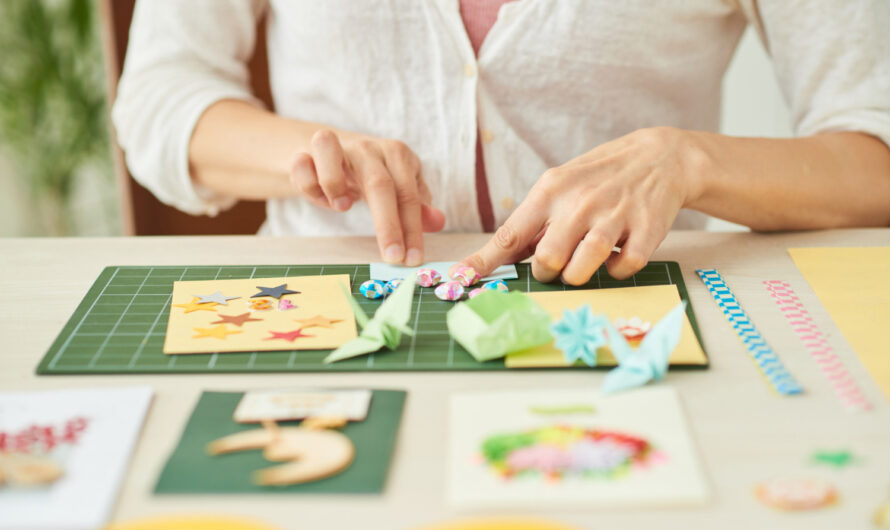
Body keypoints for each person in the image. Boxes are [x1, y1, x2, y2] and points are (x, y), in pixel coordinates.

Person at [112, 1, 890, 285]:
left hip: (627, 314)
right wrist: (307, 153)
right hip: (323, 310)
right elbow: (157, 98)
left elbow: (875, 153)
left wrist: (689, 161)